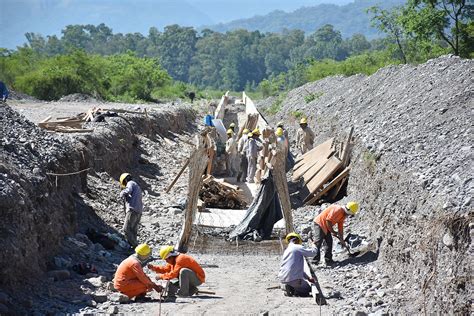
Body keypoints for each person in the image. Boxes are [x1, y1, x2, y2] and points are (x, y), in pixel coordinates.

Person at [278, 233, 318, 297]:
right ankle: (293, 289)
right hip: (293, 279)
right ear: (296, 240)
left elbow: (296, 268)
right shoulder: (297, 247)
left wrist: (308, 278)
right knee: (307, 289)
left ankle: (288, 286)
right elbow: (313, 253)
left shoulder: (287, 250)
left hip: (282, 278)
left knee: (300, 284)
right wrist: (313, 245)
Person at [119, 173, 143, 248]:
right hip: (139, 211)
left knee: (126, 229)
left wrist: (122, 193)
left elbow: (128, 190)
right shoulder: (137, 186)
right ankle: (135, 247)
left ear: (125, 180)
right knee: (133, 230)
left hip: (132, 210)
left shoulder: (130, 183)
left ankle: (136, 246)